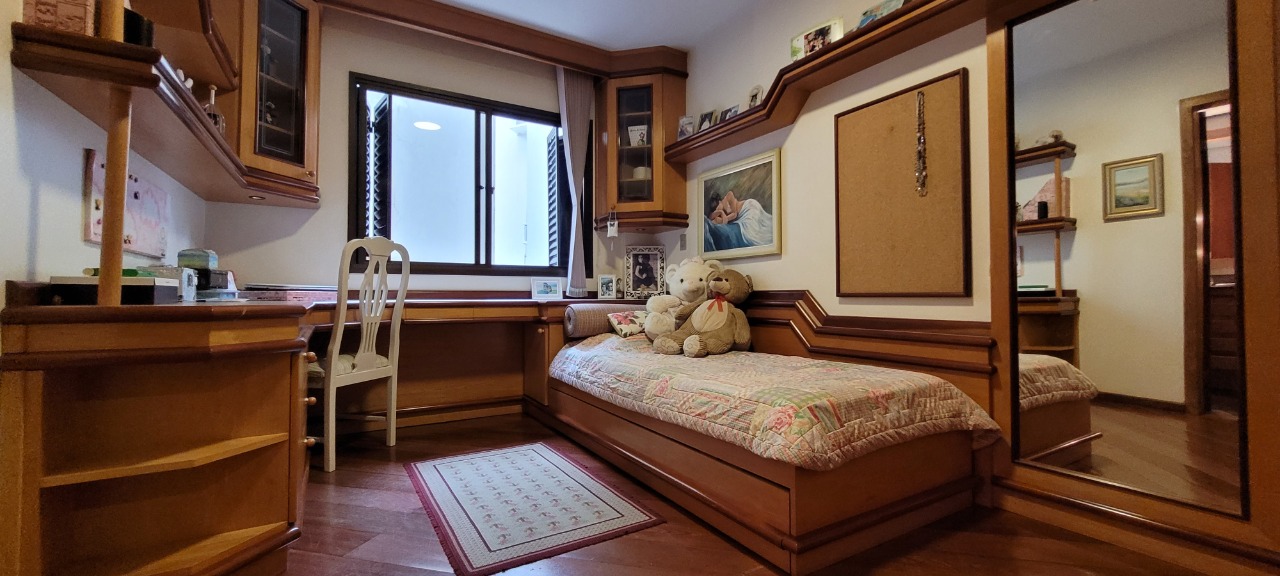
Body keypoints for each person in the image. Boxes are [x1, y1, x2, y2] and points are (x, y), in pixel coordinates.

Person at [703, 190, 773, 251]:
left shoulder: (729, 195)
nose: (717, 209)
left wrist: (722, 214)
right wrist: (720, 212)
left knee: (753, 234)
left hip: (749, 208)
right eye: (715, 209)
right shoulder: (721, 211)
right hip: (742, 216)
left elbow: (734, 214)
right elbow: (710, 218)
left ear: (720, 201)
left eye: (717, 207)